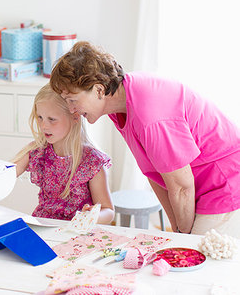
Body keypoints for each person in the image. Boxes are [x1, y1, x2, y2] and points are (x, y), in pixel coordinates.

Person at [50, 41, 240, 237]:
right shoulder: (120, 106)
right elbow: (157, 175)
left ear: (99, 90)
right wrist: (177, 230)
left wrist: (183, 237)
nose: (71, 109)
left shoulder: (150, 115)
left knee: (202, 257)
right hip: (199, 184)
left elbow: (182, 186)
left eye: (72, 100)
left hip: (224, 180)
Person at [14, 83, 114, 223]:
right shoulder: (37, 151)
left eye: (52, 119)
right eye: (40, 117)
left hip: (77, 231)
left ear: (75, 117)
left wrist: (92, 216)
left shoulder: (92, 161)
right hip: (44, 227)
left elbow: (108, 211)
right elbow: (6, 173)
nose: (43, 125)